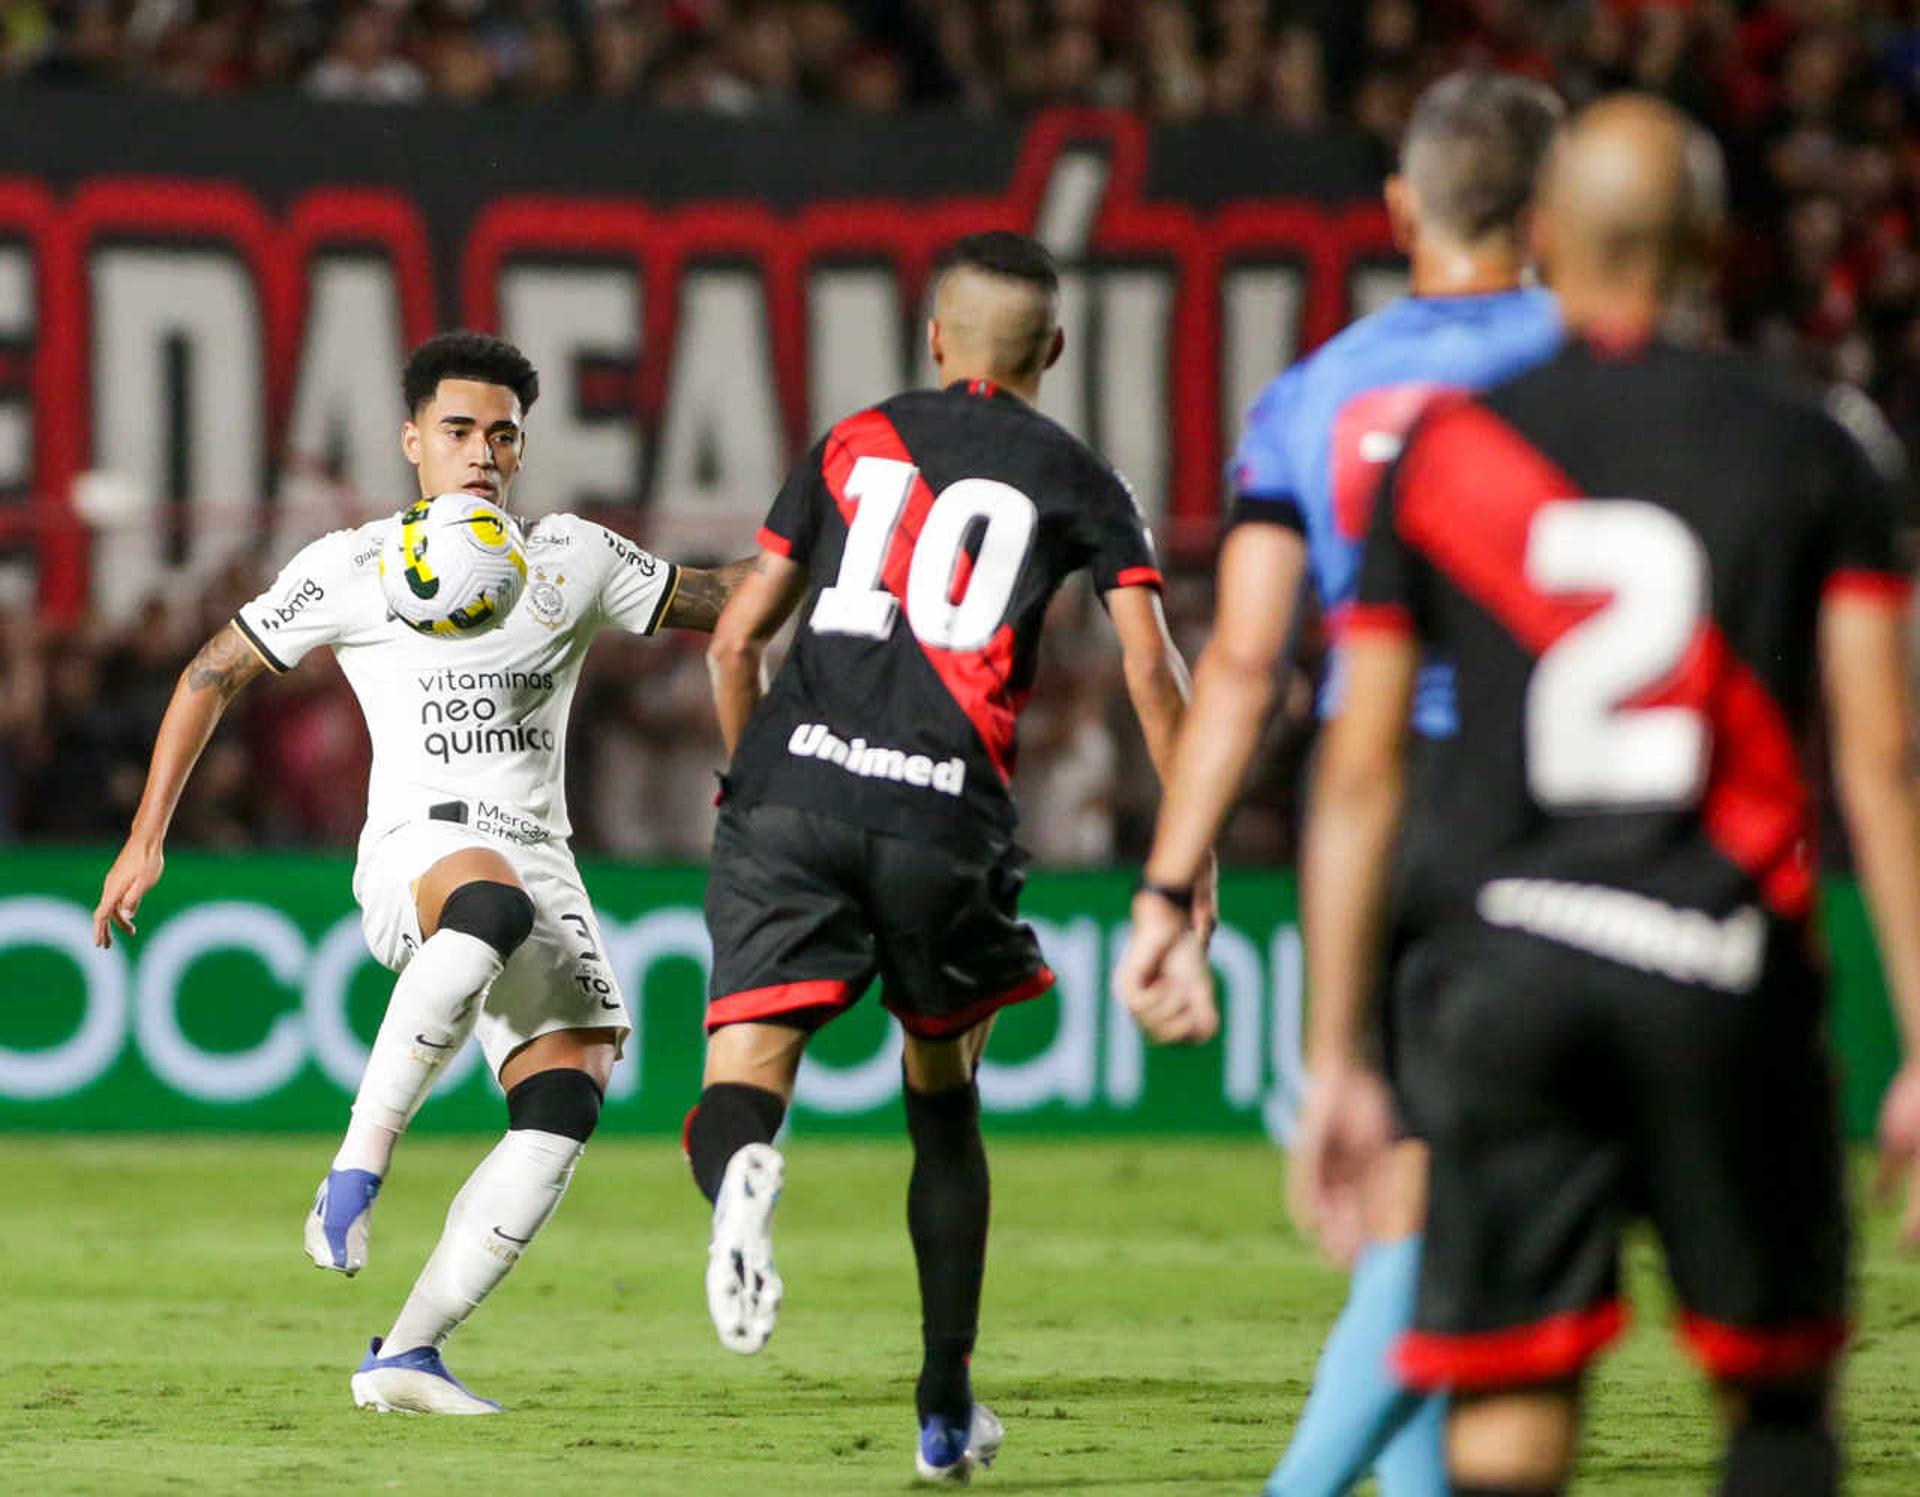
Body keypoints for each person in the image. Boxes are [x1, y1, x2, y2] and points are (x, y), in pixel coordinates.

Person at [1293, 96, 1920, 1496]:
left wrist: (1338, 1049)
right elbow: (1881, 765)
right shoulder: (1819, 447)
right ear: (1713, 245)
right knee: (1774, 1404)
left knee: (1509, 1411)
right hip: (1722, 967)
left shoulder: (1450, 457)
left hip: (1503, 975)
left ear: (1541, 237)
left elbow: (1359, 769)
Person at [93, 331, 749, 1415]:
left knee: (565, 1101)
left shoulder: (573, 557)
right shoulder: (350, 565)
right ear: (412, 442)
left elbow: (722, 599)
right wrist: (147, 832)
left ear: (523, 448)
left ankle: (406, 1354)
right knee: (485, 904)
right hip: (418, 849)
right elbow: (211, 672)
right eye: (457, 430)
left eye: (502, 434)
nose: (481, 450)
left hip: (546, 856)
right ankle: (352, 1174)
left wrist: (836, 548)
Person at [688, 230, 1213, 1483]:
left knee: (742, 1080)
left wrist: (747, 784)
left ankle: (743, 1183)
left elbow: (735, 643)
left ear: (935, 336)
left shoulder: (852, 438)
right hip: (940, 814)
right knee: (944, 1108)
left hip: (790, 795)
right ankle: (941, 1410)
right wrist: (1185, 863)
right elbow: (1150, 666)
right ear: (1057, 351)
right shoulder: (1082, 477)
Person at [1114, 70, 1565, 1497]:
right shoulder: (1604, 365)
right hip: (1566, 811)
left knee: (1431, 1209)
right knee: (1467, 1215)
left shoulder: (1315, 394)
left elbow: (1244, 664)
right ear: (1548, 214)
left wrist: (1169, 886)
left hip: (1381, 818)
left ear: (1399, 209)